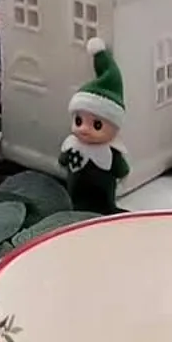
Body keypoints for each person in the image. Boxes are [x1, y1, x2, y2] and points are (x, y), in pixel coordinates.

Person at [59, 38, 128, 213]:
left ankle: (107, 207)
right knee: (74, 192)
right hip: (77, 185)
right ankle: (74, 204)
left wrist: (122, 171)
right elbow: (63, 159)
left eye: (97, 125)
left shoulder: (109, 152)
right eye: (79, 121)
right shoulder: (72, 144)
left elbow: (121, 168)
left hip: (103, 186)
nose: (84, 129)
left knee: (105, 196)